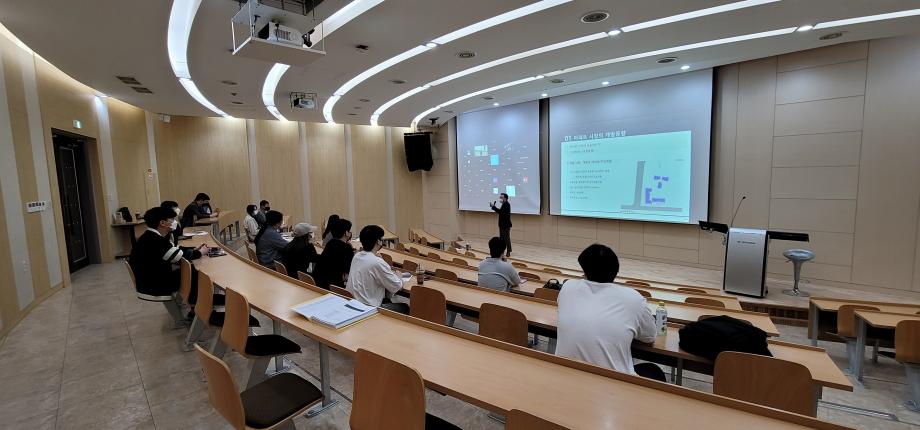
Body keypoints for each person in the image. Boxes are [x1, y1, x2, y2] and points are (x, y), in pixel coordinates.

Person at [555, 244, 665, 381]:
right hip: (613, 383)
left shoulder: (568, 287)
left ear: (585, 271)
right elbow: (650, 337)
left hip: (563, 375)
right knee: (653, 371)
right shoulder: (634, 299)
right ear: (615, 272)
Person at [129, 206, 208, 300]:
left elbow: (173, 251)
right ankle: (196, 301)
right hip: (155, 286)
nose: (175, 222)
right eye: (172, 219)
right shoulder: (156, 240)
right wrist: (200, 252)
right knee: (194, 270)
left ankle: (195, 300)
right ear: (162, 223)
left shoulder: (148, 236)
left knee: (188, 268)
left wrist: (194, 251)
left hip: (147, 282)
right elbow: (180, 257)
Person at [346, 225, 410, 314]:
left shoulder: (357, 256)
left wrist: (380, 261)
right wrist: (399, 276)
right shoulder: (377, 262)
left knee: (386, 297)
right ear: (378, 241)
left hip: (354, 302)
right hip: (369, 308)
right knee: (404, 307)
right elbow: (397, 286)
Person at [313, 218, 354, 289]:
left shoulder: (330, 243)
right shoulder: (347, 248)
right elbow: (347, 275)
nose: (350, 232)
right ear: (345, 233)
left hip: (321, 283)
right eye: (349, 230)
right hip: (334, 287)